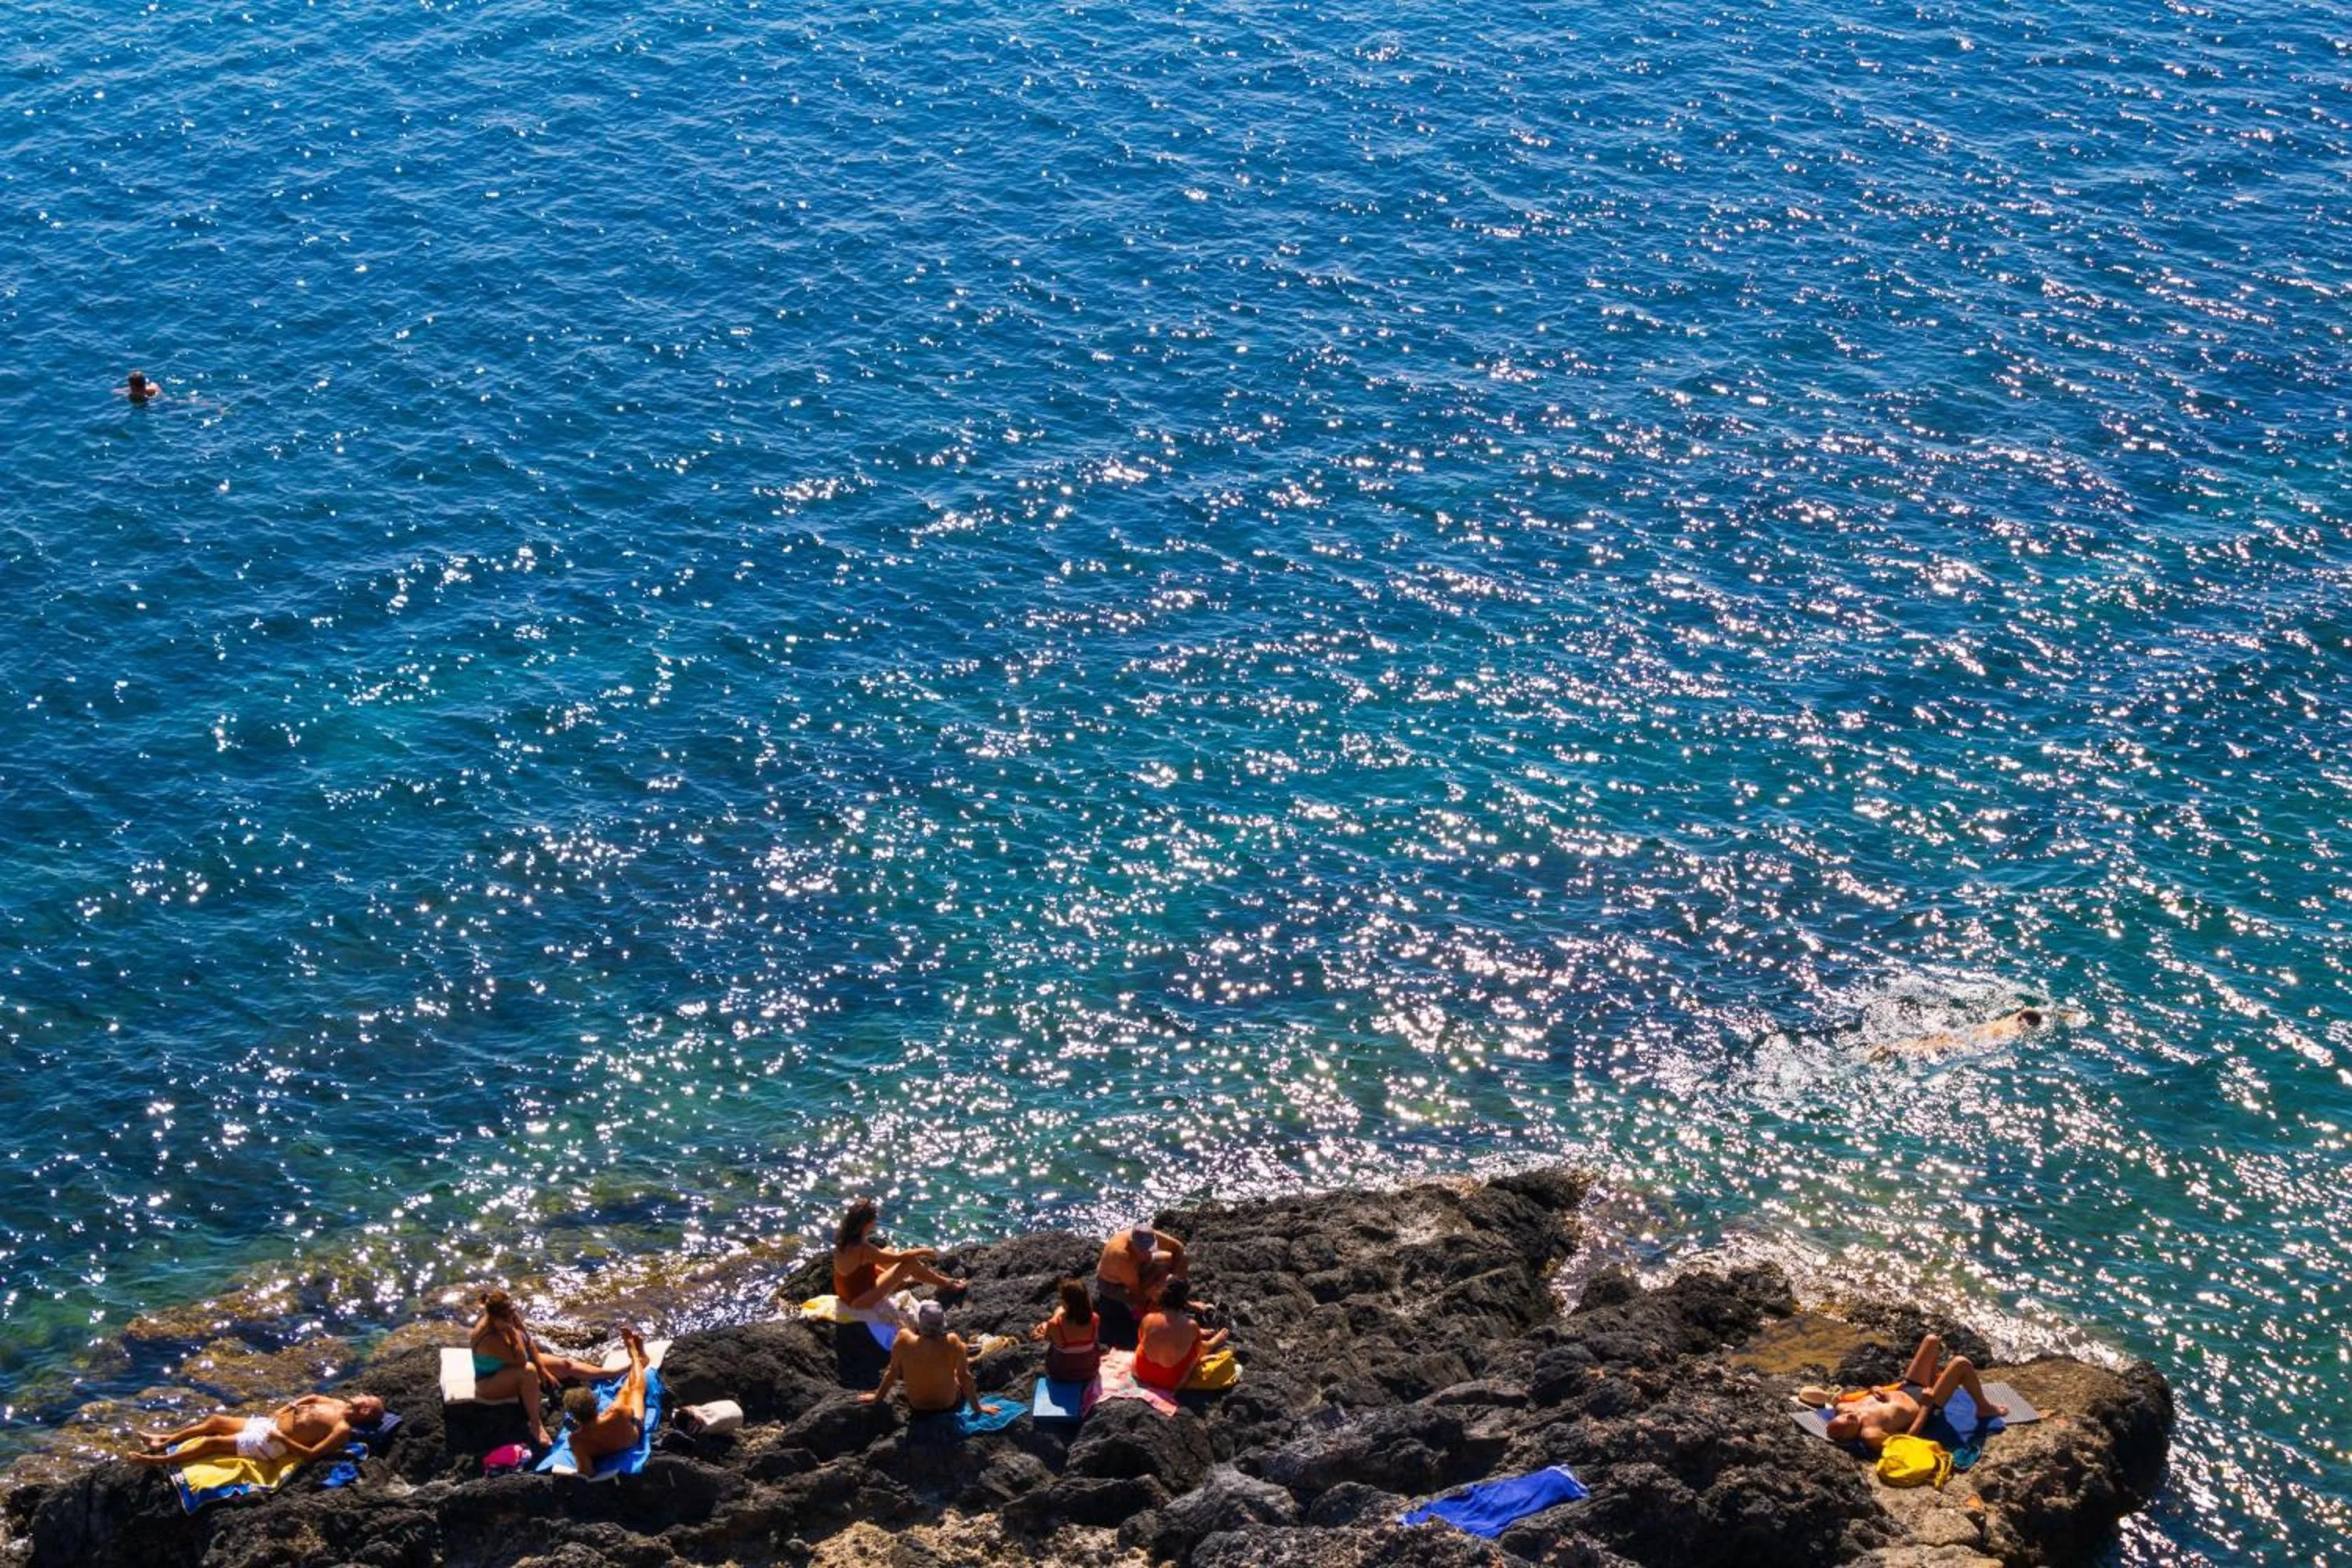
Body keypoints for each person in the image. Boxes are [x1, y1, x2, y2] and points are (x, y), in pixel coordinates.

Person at [470, 1289, 616, 1448]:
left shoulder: (508, 1317)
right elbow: (521, 1360)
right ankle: (536, 1425)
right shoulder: (489, 1337)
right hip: (489, 1382)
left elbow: (529, 1342)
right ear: (496, 1317)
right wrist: (512, 1331)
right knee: (529, 1372)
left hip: (510, 1366)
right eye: (508, 1316)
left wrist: (543, 1368)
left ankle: (609, 1372)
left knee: (564, 1365)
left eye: (513, 1312)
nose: (513, 1317)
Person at [1821, 1334, 2008, 1452]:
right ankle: (1983, 1408)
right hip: (1925, 1406)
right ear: (1850, 1436)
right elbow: (1907, 1440)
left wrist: (1874, 1389)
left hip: (1907, 1388)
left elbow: (1840, 1403)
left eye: (1846, 1416)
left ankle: (1936, 1380)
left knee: (1931, 1340)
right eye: (1850, 1421)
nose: (1851, 1415)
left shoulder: (1844, 1407)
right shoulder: (1871, 1433)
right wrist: (1926, 1405)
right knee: (1961, 1363)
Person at [129, 1392, 383, 1467]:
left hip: (272, 1443)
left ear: (365, 1412)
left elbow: (312, 1455)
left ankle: (160, 1460)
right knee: (216, 1421)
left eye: (366, 1399)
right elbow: (312, 1396)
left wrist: (282, 1437)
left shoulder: (342, 1430)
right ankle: (163, 1440)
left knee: (211, 1443)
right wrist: (287, 1407)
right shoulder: (336, 1403)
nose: (361, 1395)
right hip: (269, 1424)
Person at [833, 1197, 964, 1311]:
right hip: (859, 1301)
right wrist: (924, 1250)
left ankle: (911, 1278)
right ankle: (946, 1283)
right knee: (910, 1263)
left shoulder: (843, 1239)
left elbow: (861, 1266)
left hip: (845, 1293)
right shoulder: (863, 1249)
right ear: (867, 1223)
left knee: (888, 1250)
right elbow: (901, 1258)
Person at [555, 1326, 652, 1475]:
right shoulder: (616, 1413)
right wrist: (609, 1417)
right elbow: (631, 1413)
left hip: (606, 1431)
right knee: (635, 1390)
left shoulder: (576, 1440)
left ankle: (638, 1360)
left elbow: (586, 1471)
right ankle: (635, 1356)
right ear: (596, 1404)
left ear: (574, 1416)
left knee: (623, 1391)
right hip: (632, 1436)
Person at [861, 1300, 982, 1417]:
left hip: (917, 1407)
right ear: (942, 1323)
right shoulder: (953, 1342)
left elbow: (892, 1373)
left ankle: (964, 1351)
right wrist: (978, 1409)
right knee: (957, 1369)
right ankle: (966, 1351)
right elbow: (965, 1377)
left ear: (920, 1322)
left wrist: (877, 1397)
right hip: (948, 1405)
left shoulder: (903, 1339)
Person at [1134, 1278, 1227, 1393]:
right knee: (1194, 1350)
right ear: (1184, 1300)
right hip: (1170, 1381)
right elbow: (1202, 1349)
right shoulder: (1191, 1326)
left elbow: (1142, 1339)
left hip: (1142, 1372)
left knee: (1143, 1343)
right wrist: (1216, 1341)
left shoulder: (1148, 1318)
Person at [1097, 1221, 1189, 1327]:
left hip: (1140, 1267)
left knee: (1182, 1258)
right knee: (1145, 1299)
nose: (1148, 1253)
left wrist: (1174, 1282)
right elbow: (1137, 1294)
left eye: (1151, 1247)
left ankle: (1178, 1296)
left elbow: (1178, 1248)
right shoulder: (1122, 1256)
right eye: (1143, 1250)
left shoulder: (1146, 1234)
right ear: (1132, 1244)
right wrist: (1159, 1294)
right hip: (1114, 1284)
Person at [1871, 1007, 2045, 1062]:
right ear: (2028, 1024)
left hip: (1969, 1031)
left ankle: (1893, 1048)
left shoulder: (2010, 1019)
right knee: (1936, 1047)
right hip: (1971, 1040)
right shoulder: (2015, 1030)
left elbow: (2041, 1011)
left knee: (1931, 1042)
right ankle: (1892, 1051)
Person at [1030, 1276, 1103, 1383]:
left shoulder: (1055, 1324)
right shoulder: (1095, 1318)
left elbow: (1047, 1337)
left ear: (1067, 1302)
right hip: (1089, 1372)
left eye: (1061, 1298)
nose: (1059, 1300)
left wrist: (1048, 1325)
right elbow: (1095, 1340)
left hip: (1061, 1374)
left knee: (1053, 1344)